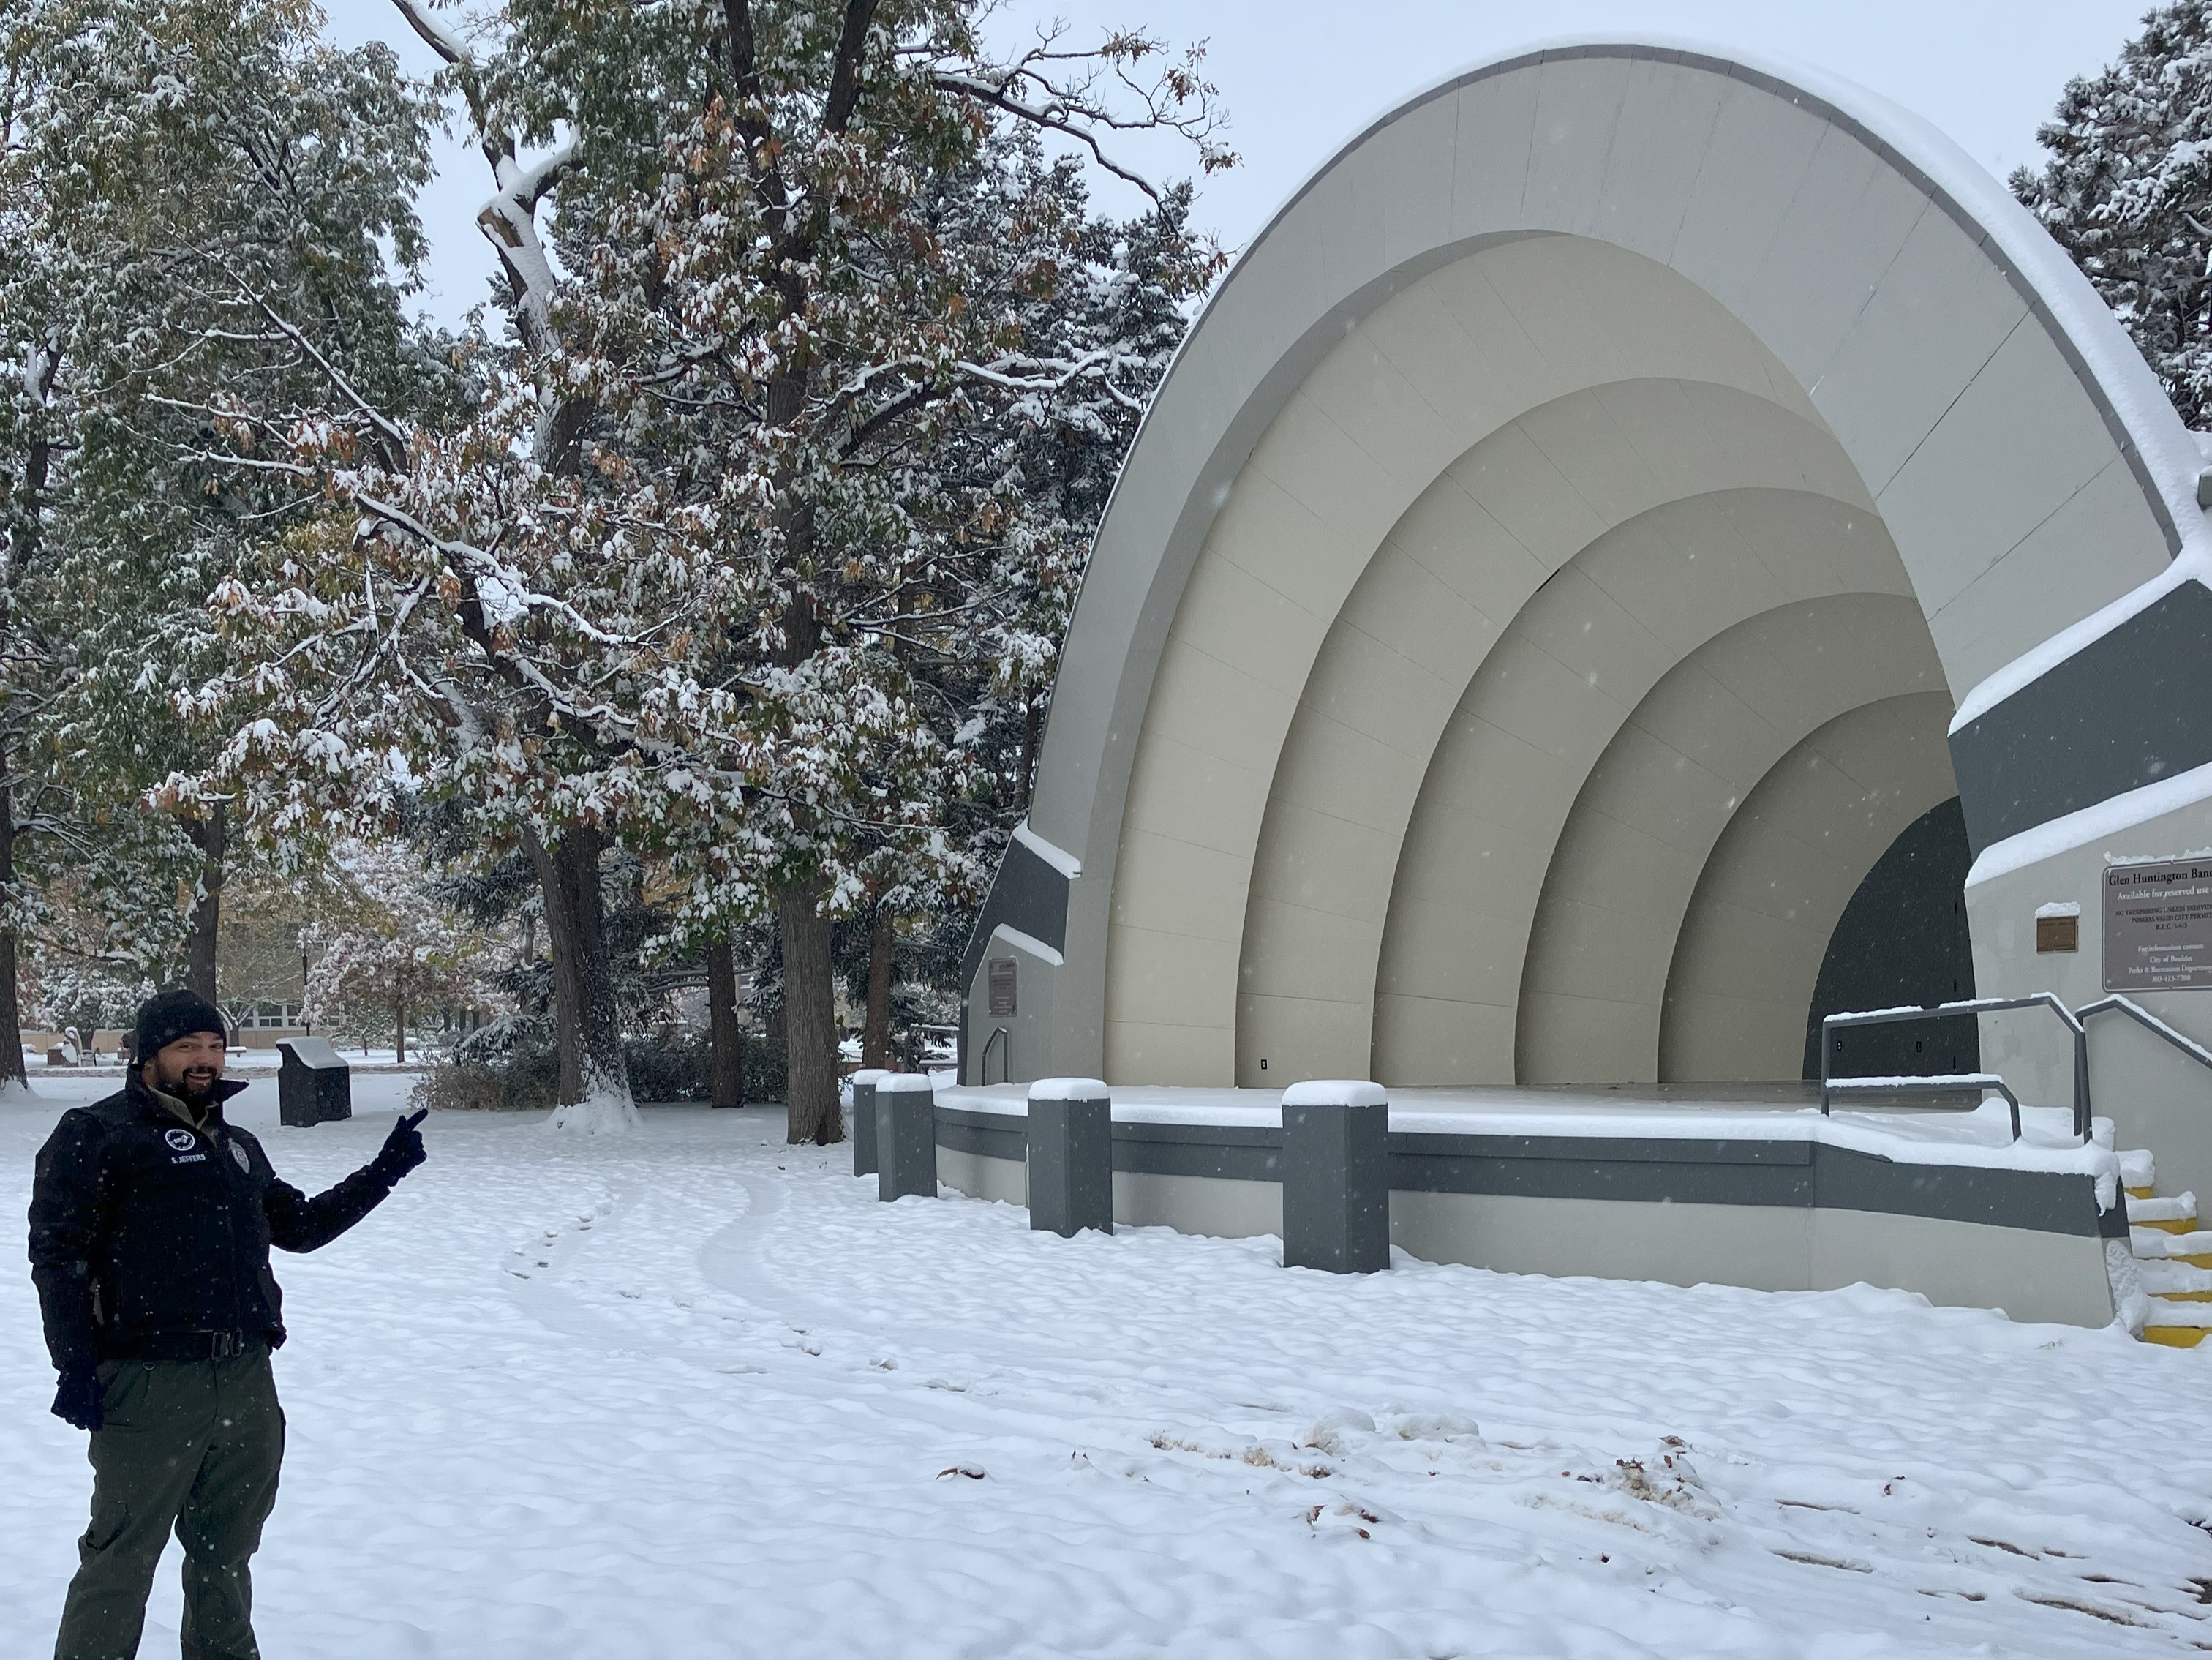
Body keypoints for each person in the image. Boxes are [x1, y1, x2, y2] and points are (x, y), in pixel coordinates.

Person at [27, 988, 429, 1660]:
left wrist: (382, 1172)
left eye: (214, 1045)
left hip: (244, 1378)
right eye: (188, 1046)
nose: (205, 1059)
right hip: (150, 1384)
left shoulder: (236, 1145)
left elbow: (297, 1228)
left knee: (224, 1556)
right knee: (121, 1559)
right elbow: (57, 1254)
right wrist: (74, 1363)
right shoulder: (97, 1134)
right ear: (149, 1053)